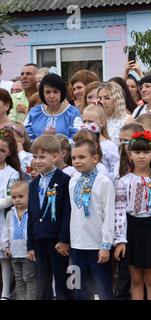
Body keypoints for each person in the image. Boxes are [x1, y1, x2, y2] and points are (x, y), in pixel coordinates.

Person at [114, 131, 151, 300]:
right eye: (137, 152)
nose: (141, 156)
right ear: (130, 155)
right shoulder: (123, 181)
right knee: (136, 279)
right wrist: (120, 240)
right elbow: (120, 210)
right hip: (132, 231)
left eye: (146, 152)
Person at [69, 139, 115, 300]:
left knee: (102, 288)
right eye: (74, 158)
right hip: (77, 244)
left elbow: (109, 214)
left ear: (95, 158)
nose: (77, 161)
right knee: (78, 288)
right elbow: (73, 213)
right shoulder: (73, 181)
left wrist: (105, 245)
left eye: (82, 157)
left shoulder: (104, 182)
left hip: (97, 245)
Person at [27, 135, 72, 300]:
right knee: (42, 283)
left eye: (42, 156)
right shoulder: (32, 185)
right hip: (39, 241)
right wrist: (30, 245)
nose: (37, 161)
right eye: (34, 156)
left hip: (57, 242)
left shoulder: (65, 181)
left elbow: (67, 213)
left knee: (62, 282)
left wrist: (64, 239)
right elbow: (31, 216)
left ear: (55, 156)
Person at [1, 181, 36, 300]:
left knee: (29, 278)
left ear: (29, 196)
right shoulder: (10, 213)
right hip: (14, 253)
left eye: (21, 196)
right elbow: (5, 231)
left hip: (28, 254)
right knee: (19, 279)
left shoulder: (32, 212)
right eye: (14, 197)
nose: (17, 200)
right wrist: (5, 247)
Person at [24, 74, 81, 141]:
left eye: (55, 92)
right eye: (47, 92)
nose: (51, 96)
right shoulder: (34, 112)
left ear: (62, 92)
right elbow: (26, 137)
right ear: (42, 93)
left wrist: (56, 141)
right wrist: (42, 140)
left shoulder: (73, 113)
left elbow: (77, 139)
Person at [0, 128, 21, 300]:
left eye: (2, 150)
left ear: (8, 152)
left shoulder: (12, 173)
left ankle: (6, 291)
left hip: (3, 219)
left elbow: (9, 198)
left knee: (5, 258)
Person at [82, 104, 120, 179]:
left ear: (102, 123)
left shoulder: (109, 146)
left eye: (90, 121)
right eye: (84, 121)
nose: (86, 125)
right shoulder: (81, 144)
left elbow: (115, 170)